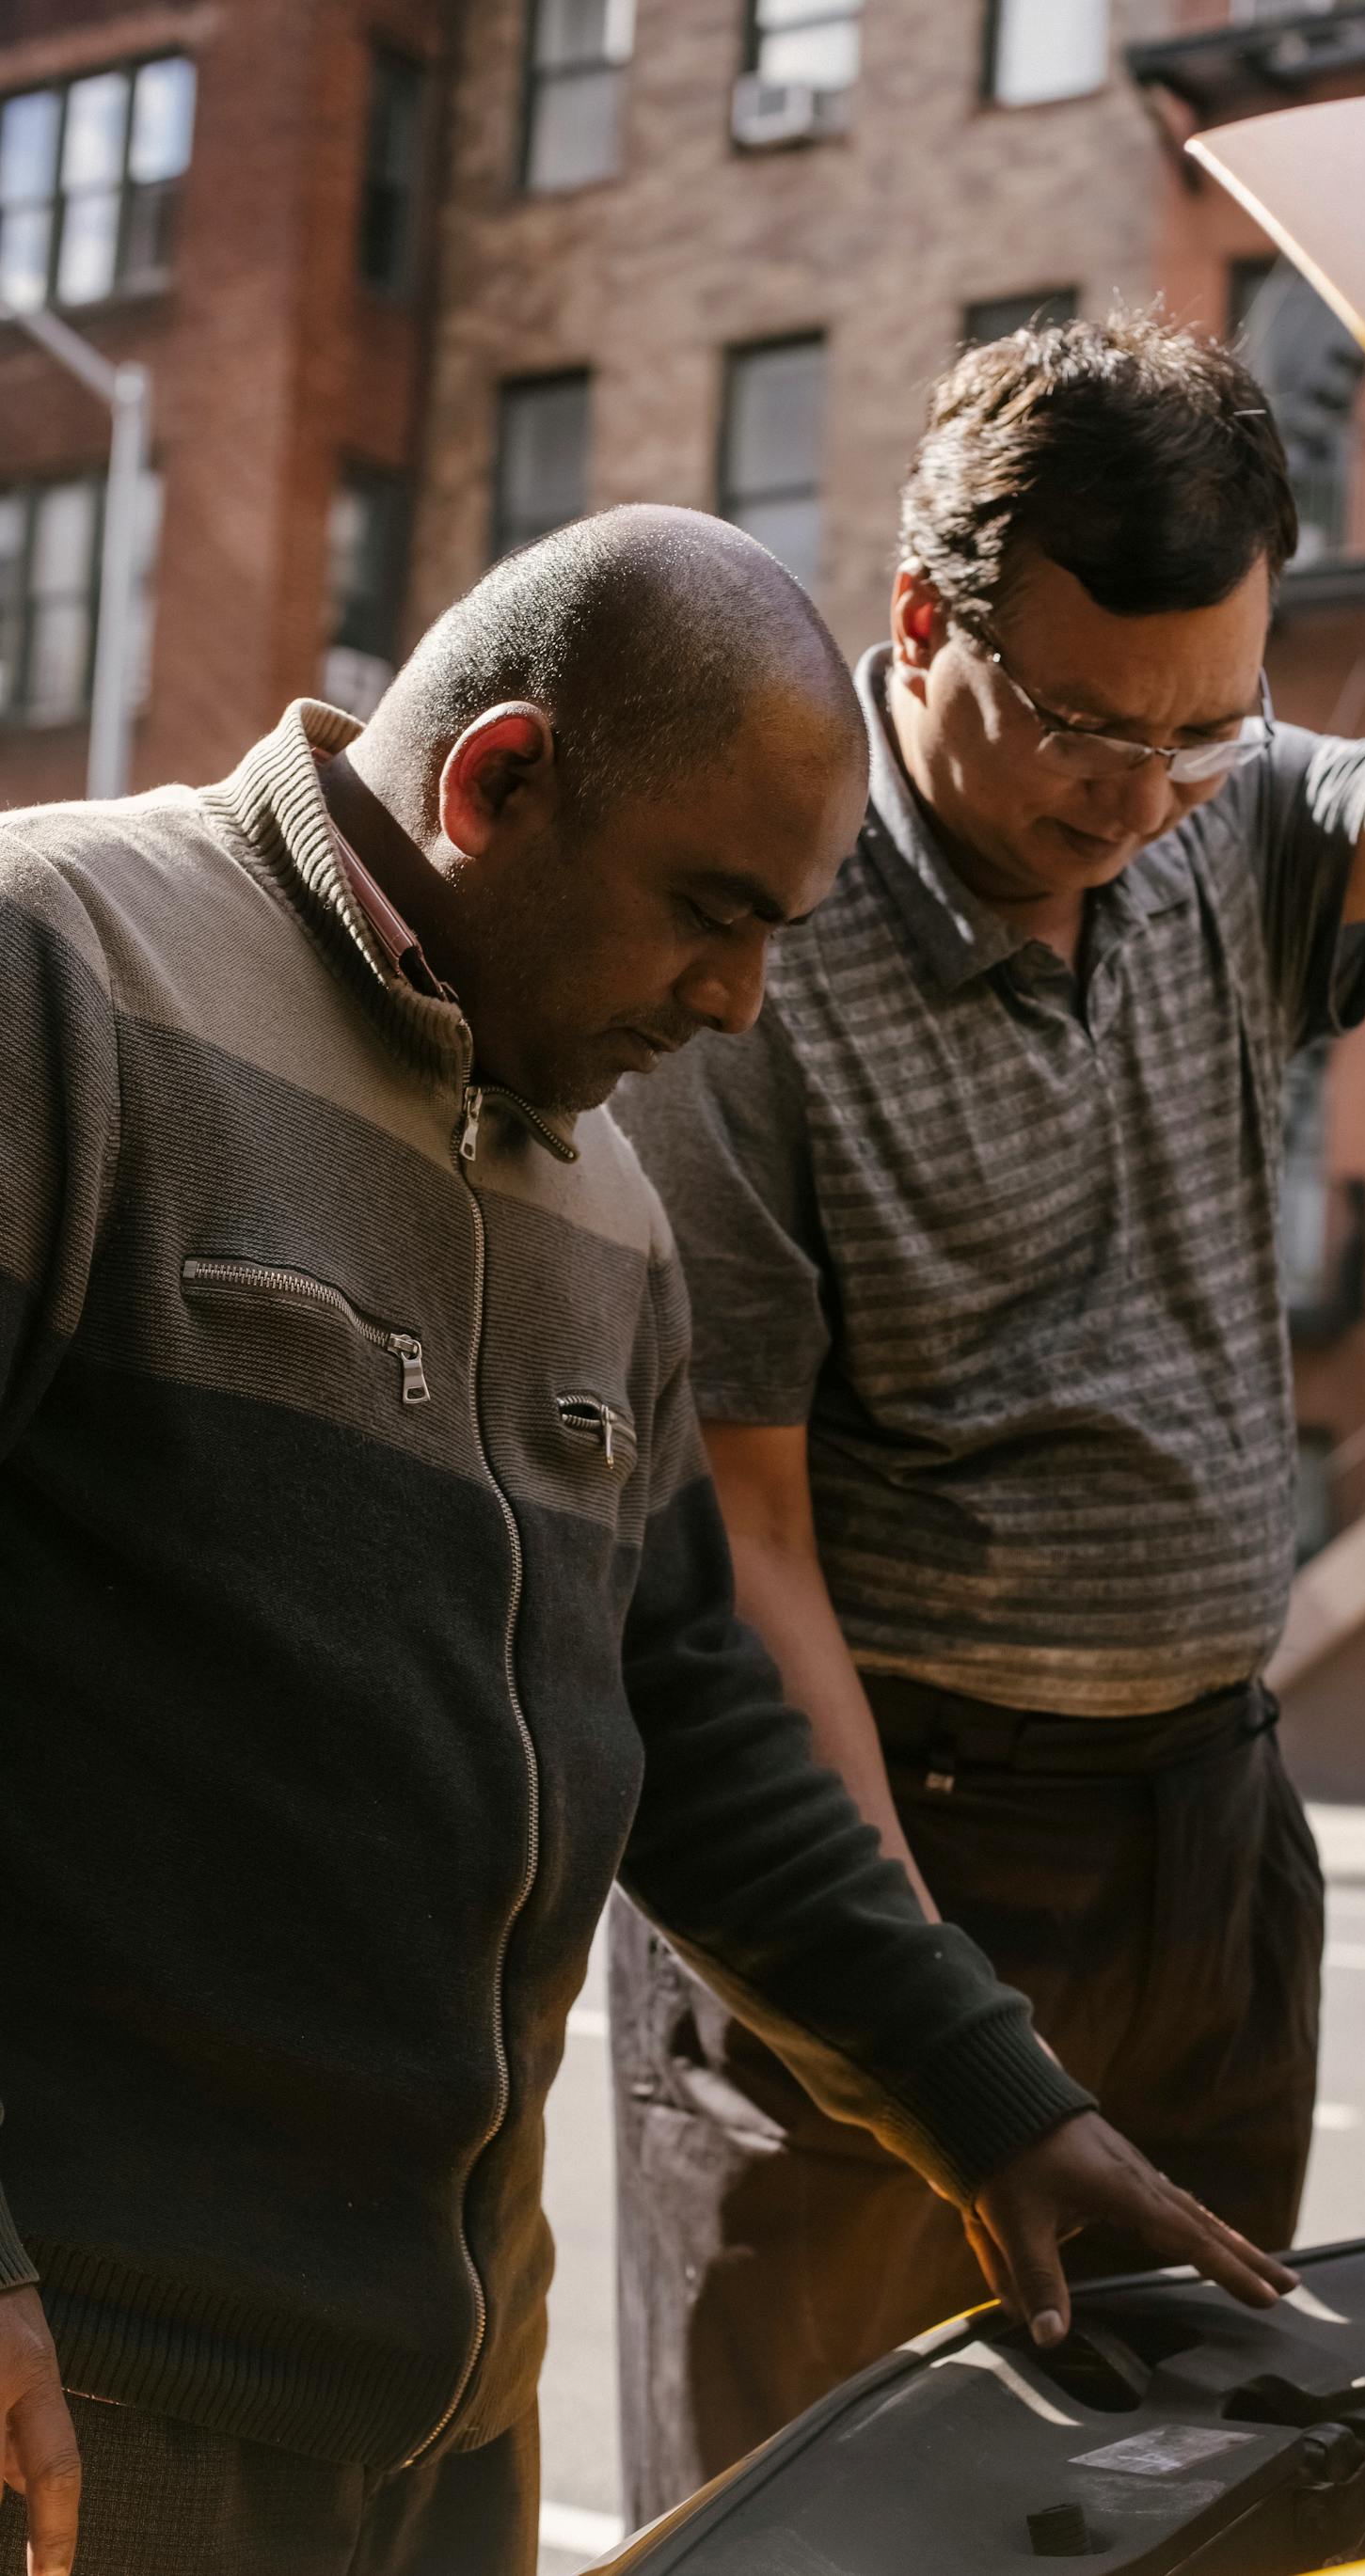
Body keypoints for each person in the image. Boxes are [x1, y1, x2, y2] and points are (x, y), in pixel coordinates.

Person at [0, 504, 1298, 2576]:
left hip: (440, 2435)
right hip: (90, 2420)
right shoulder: (55, 968)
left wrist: (991, 2095)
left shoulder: (609, 1205)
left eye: (782, 927)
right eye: (709, 911)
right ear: (496, 780)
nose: (741, 1001)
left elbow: (684, 1713)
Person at [610, 315, 1365, 2515]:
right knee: (837, 2523)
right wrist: (930, 2043)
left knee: (1201, 2510)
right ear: (924, 624)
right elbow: (750, 1545)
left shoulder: (1216, 825)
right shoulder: (751, 956)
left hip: (1211, 1830)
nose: (1142, 794)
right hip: (904, 1831)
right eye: (1088, 725)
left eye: (1209, 725)